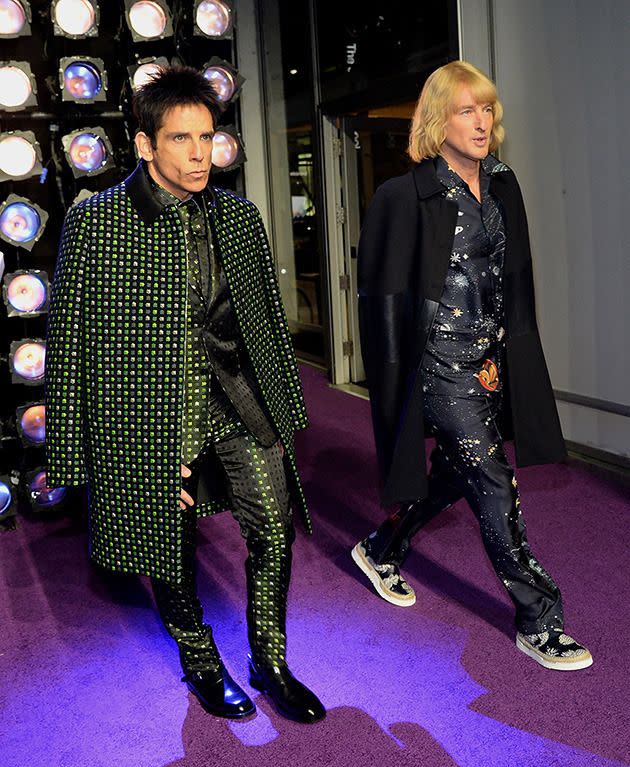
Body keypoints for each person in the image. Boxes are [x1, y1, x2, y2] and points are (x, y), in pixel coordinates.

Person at [46, 65, 325, 722]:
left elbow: (263, 322)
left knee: (273, 528)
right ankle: (200, 659)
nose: (200, 152)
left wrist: (285, 408)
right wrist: (105, 457)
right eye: (180, 138)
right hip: (149, 416)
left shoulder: (239, 216)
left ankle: (270, 659)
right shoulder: (98, 224)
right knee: (166, 545)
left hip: (236, 399)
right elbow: (74, 350)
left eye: (207, 135)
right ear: (144, 144)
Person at [351, 61, 592, 671]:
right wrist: (397, 381)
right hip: (433, 367)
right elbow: (383, 301)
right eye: (466, 110)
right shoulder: (403, 196)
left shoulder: (504, 183)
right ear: (438, 119)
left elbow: (511, 282)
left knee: (455, 475)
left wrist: (502, 360)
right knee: (494, 481)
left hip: (484, 361)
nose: (481, 122)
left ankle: (382, 547)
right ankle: (541, 620)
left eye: (487, 109)